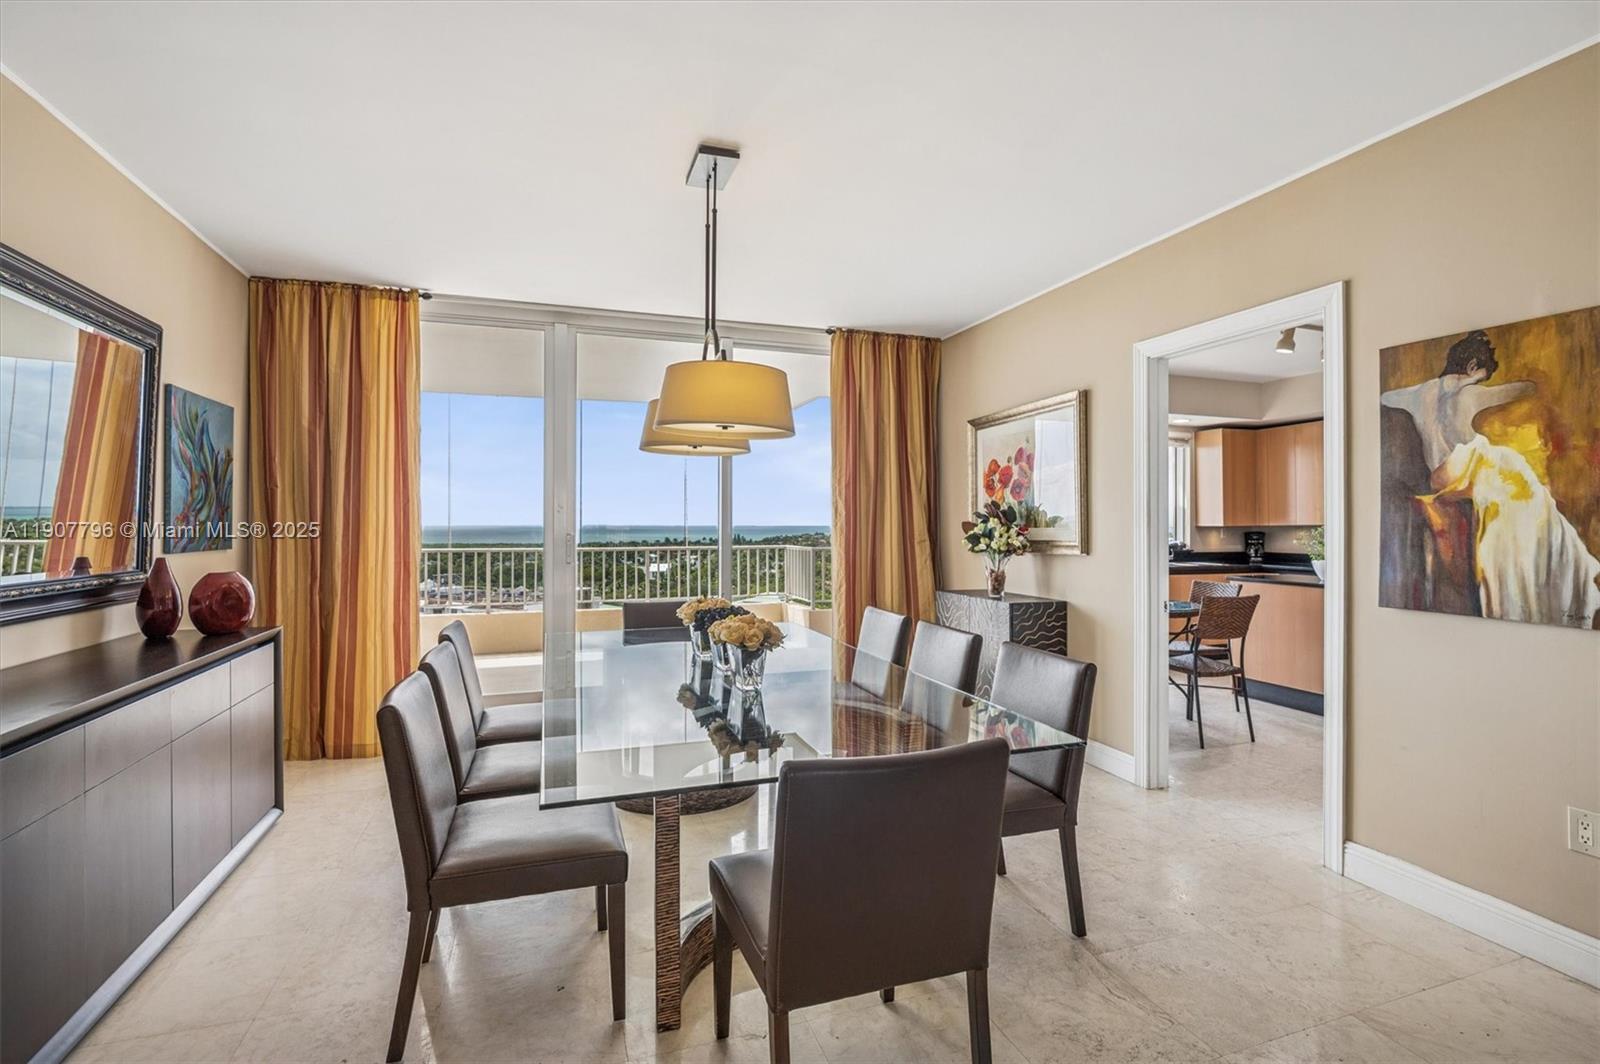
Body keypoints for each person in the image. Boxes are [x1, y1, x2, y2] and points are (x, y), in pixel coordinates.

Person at [1381, 330, 1600, 628]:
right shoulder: (1470, 394)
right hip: (1459, 469)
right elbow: (1519, 390)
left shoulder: (1417, 394)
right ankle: (1551, 568)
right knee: (1520, 477)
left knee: (1511, 471)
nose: (1482, 382)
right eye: (1482, 376)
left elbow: (1384, 396)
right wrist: (1536, 383)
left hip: (1437, 476)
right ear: (1472, 366)